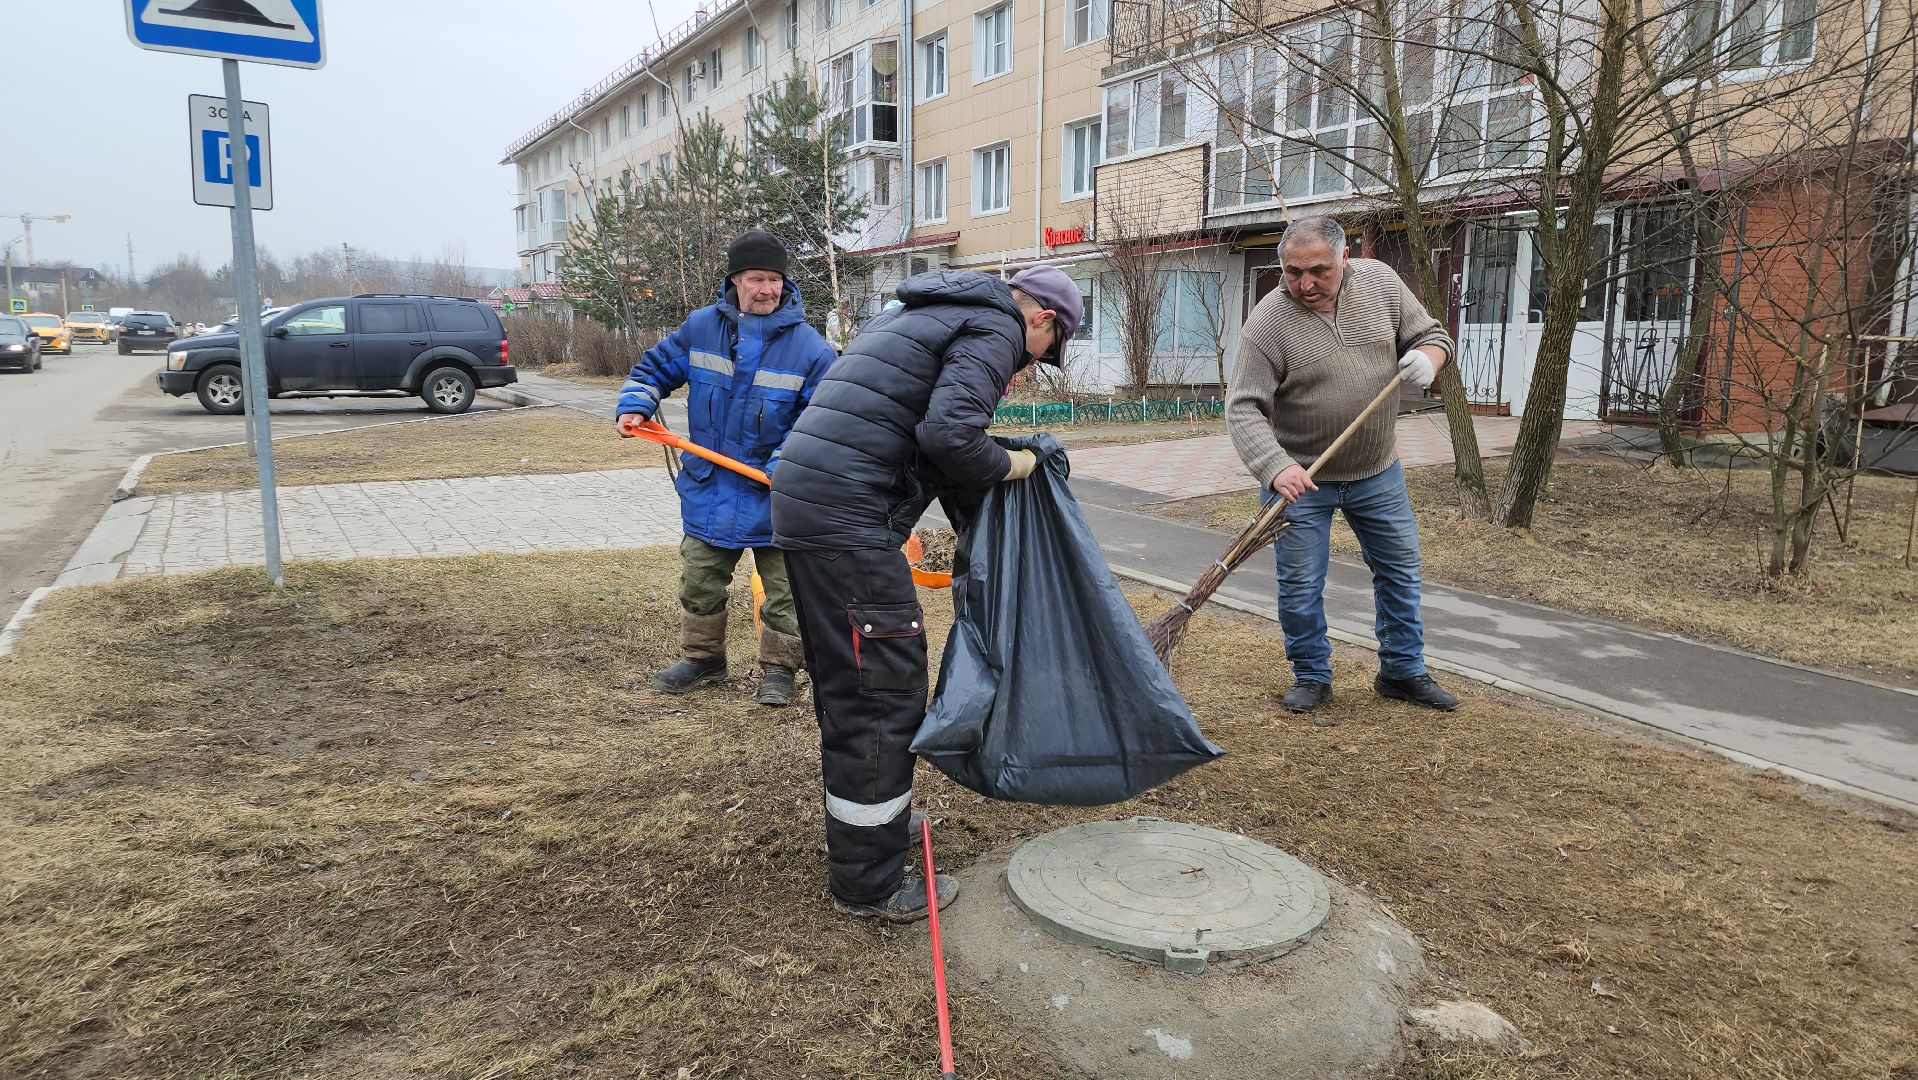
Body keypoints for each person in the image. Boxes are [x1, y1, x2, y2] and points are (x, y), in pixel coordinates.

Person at [770, 265, 1083, 921]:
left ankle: (870, 831)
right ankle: (869, 883)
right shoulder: (997, 322)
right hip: (848, 522)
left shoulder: (922, 309)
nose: (1024, 371)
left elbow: (928, 439)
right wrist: (1016, 464)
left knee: (849, 682)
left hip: (806, 507)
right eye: (1039, 357)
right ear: (1043, 320)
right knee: (882, 690)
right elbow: (949, 436)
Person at [1226, 215, 1460, 720]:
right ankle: (1311, 675)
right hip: (1300, 481)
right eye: (1292, 272)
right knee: (1301, 583)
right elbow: (1243, 407)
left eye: (1318, 271)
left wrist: (1429, 358)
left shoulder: (1381, 283)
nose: (1305, 284)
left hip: (1377, 470)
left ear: (1344, 258)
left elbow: (1434, 334)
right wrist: (1274, 466)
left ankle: (1401, 670)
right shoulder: (1268, 322)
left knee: (1399, 570)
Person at [615, 229, 838, 707]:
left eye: (775, 280)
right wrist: (635, 405)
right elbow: (652, 370)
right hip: (710, 485)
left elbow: (820, 419)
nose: (768, 290)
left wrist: (786, 464)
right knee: (698, 578)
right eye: (757, 278)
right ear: (735, 279)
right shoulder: (700, 328)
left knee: (784, 590)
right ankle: (703, 660)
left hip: (776, 492)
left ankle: (779, 670)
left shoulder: (810, 349)